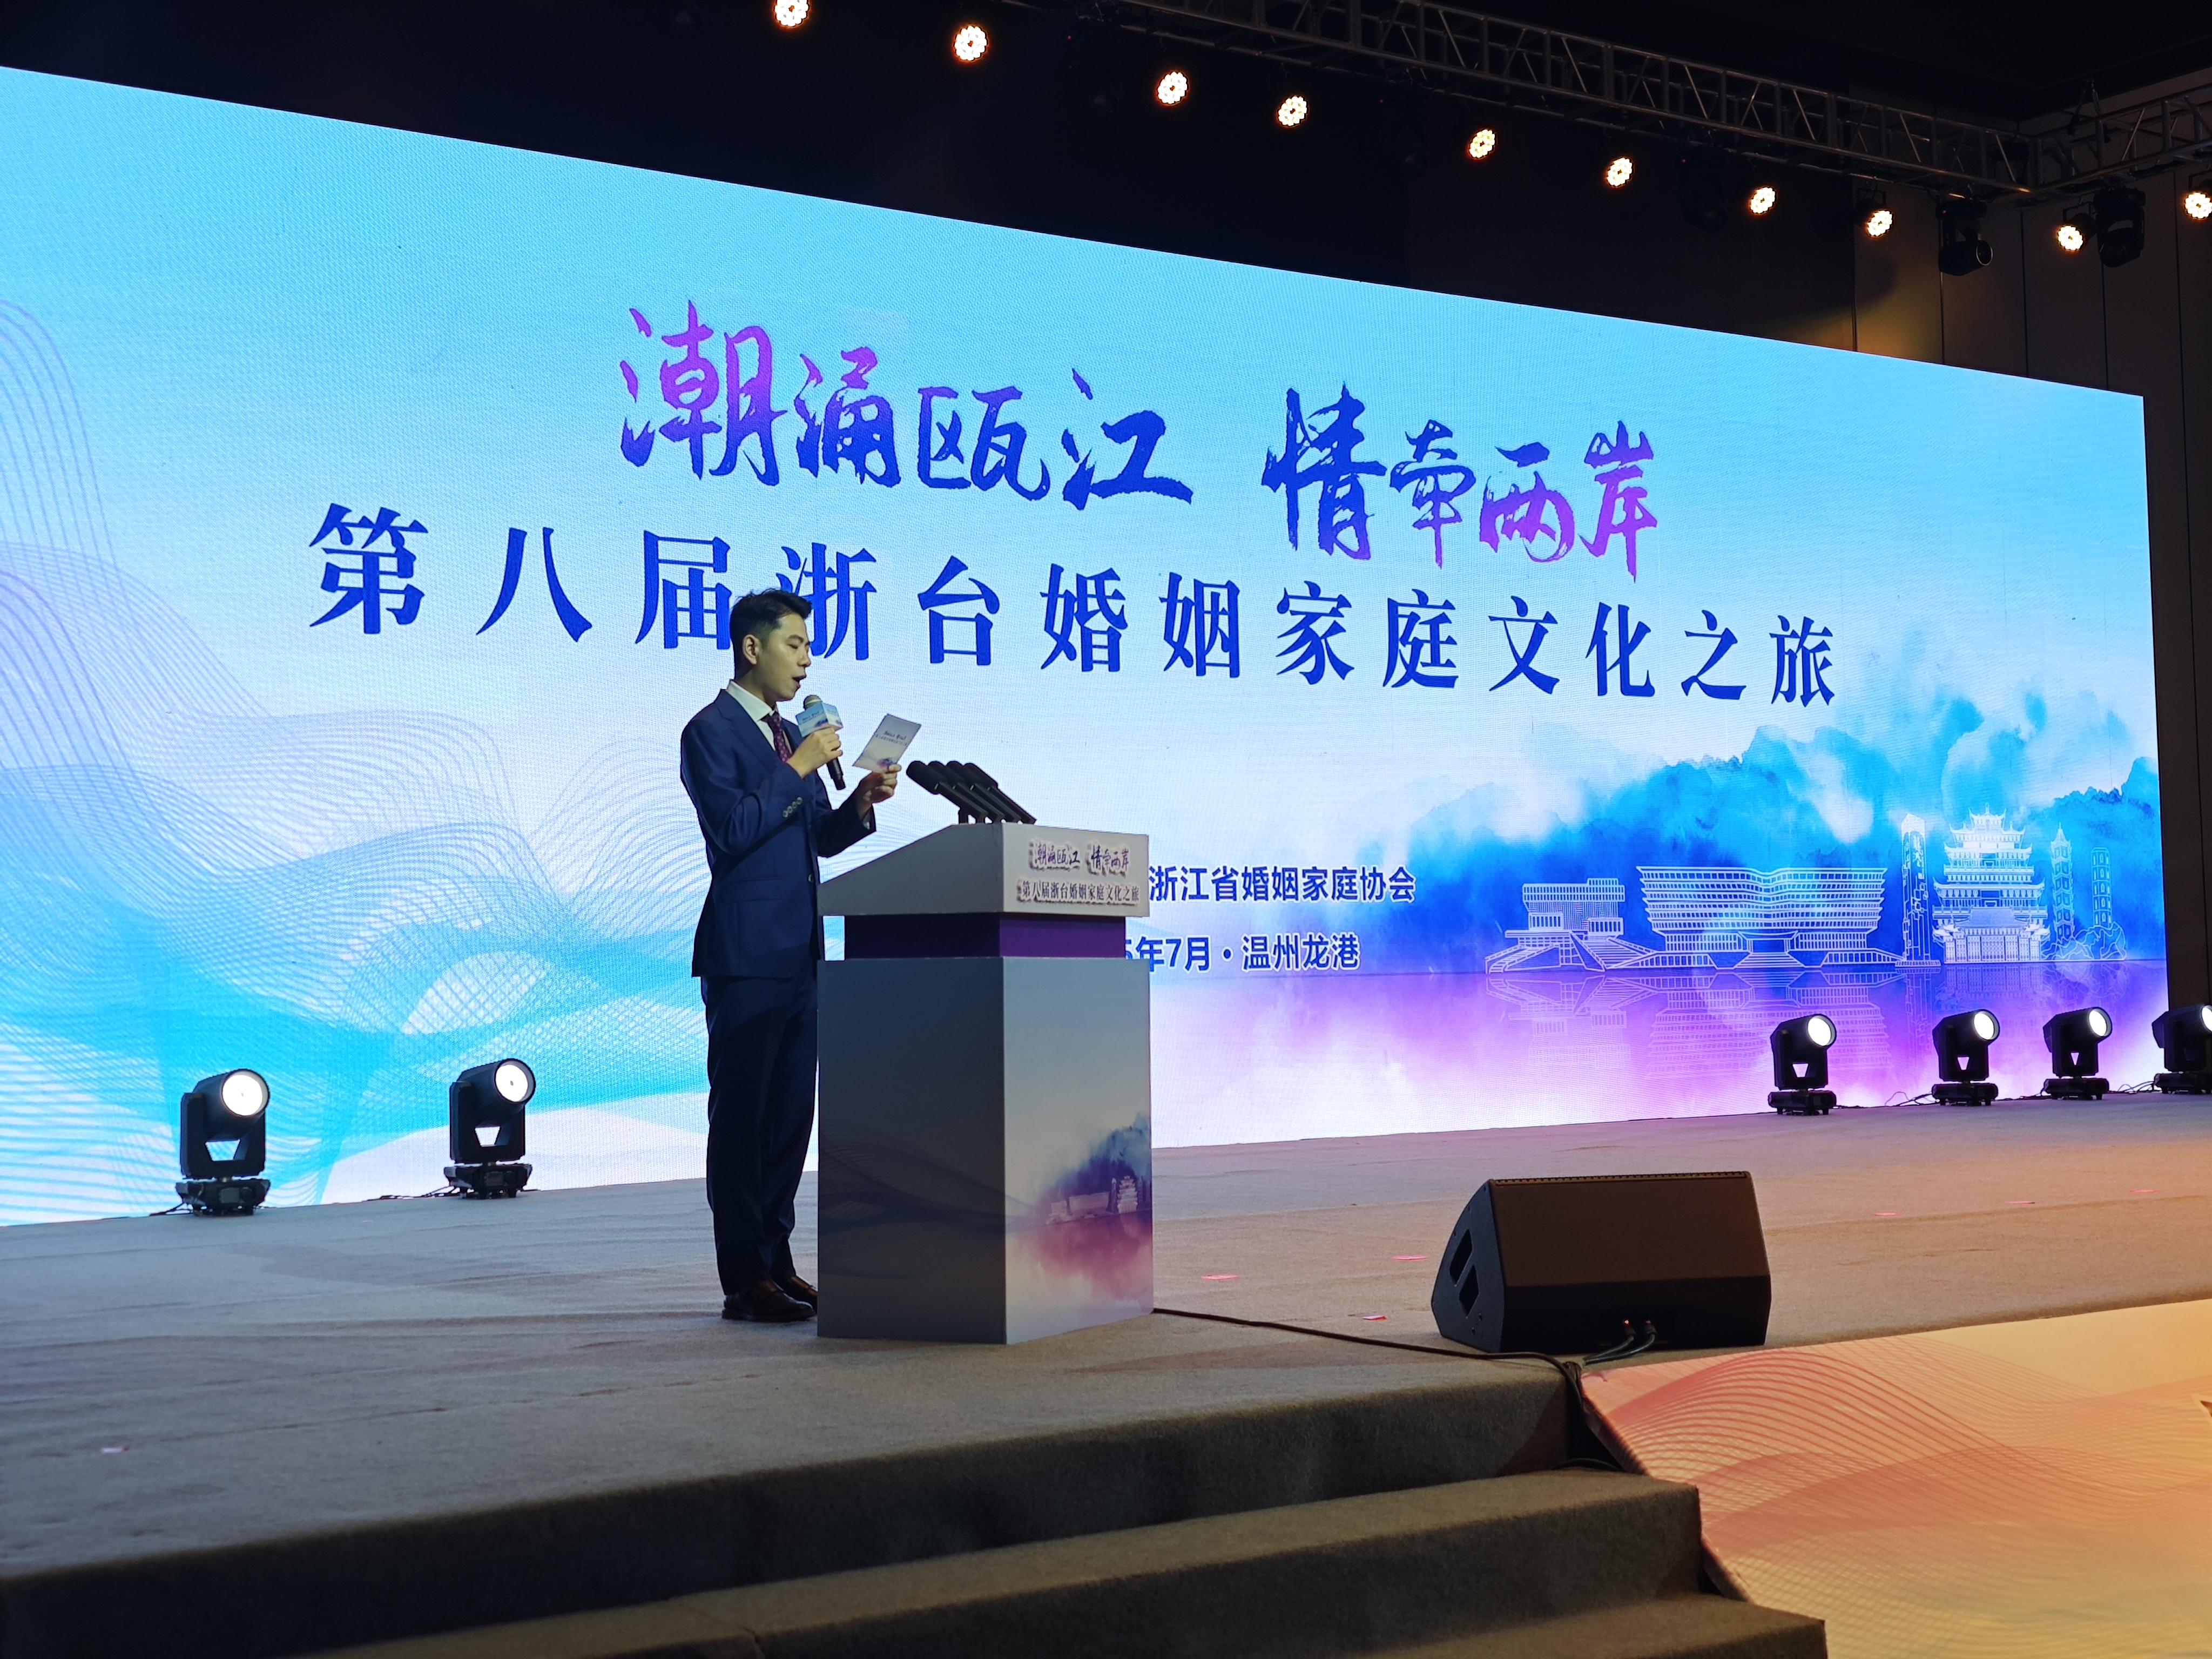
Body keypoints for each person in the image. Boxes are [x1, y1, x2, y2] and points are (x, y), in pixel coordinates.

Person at [679, 589, 899, 1321]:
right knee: (743, 1121)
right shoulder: (710, 731)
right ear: (753, 648)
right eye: (795, 645)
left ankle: (777, 1262)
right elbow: (734, 831)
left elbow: (817, 840)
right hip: (745, 955)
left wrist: (860, 801)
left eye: (809, 647)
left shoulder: (786, 738)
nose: (807, 661)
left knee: (787, 1122)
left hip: (802, 952)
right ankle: (744, 1279)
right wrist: (799, 764)